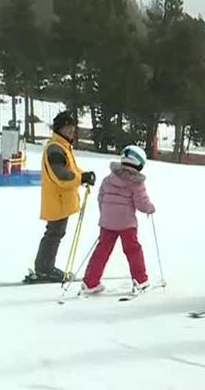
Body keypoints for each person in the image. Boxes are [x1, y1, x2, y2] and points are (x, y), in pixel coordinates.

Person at [26, 111, 96, 283]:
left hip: (61, 199)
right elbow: (62, 175)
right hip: (57, 199)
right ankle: (44, 268)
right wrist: (81, 178)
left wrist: (84, 175)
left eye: (73, 128)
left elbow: (72, 171)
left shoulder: (62, 146)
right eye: (68, 128)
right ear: (60, 129)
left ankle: (45, 267)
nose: (72, 131)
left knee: (56, 233)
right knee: (54, 233)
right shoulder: (55, 148)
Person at [81, 145, 156, 294]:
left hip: (107, 222)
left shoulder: (108, 179)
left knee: (102, 250)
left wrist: (105, 214)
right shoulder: (136, 182)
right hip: (127, 223)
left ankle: (90, 281)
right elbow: (141, 202)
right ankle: (140, 279)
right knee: (133, 249)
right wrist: (150, 208)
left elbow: (101, 197)